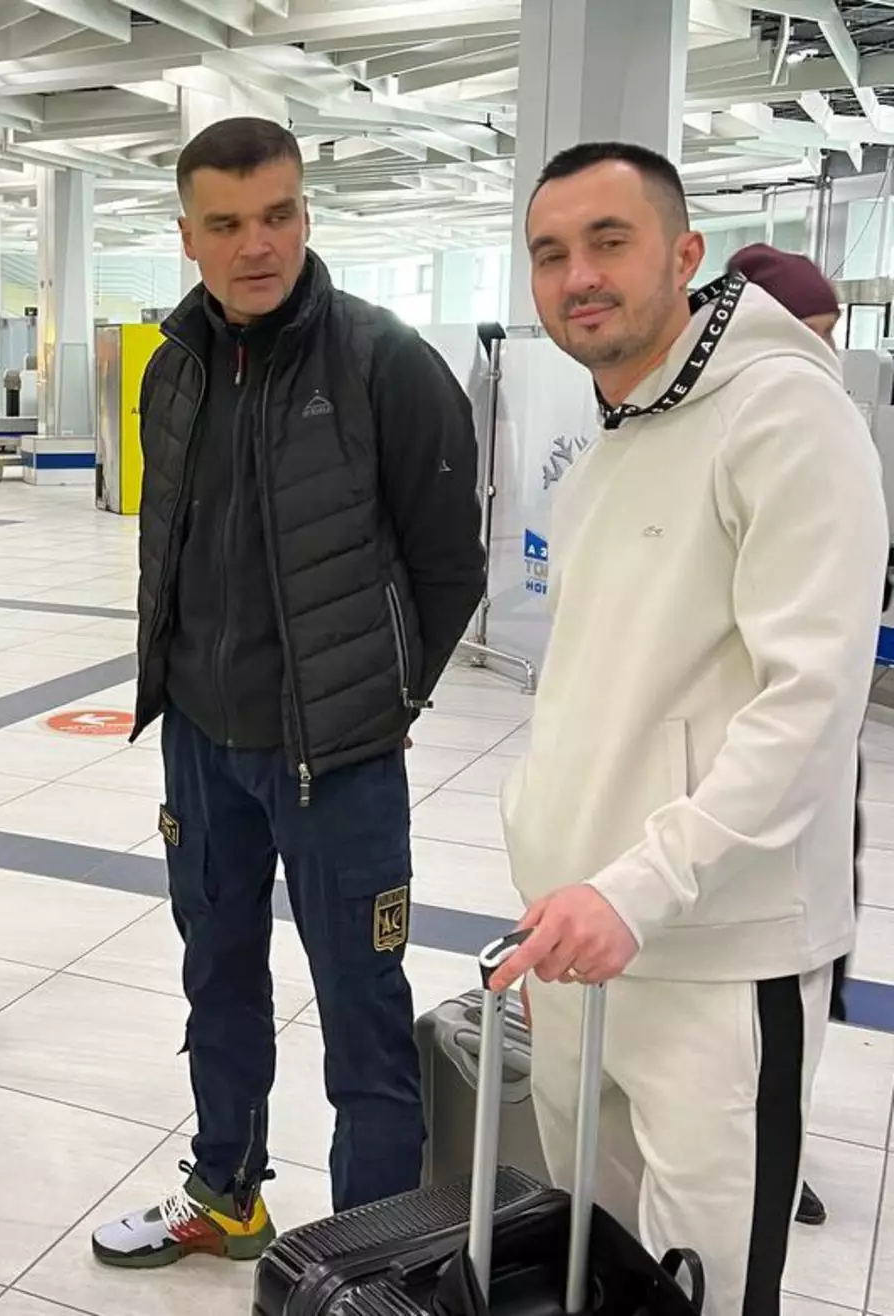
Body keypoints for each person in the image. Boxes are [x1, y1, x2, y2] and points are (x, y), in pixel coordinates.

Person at [491, 143, 887, 1316]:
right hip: (580, 943)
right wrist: (554, 876)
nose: (577, 276)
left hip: (715, 956)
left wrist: (639, 887)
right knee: (592, 1267)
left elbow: (807, 705)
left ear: (683, 254)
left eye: (608, 241)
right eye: (549, 254)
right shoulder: (609, 441)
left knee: (704, 1286)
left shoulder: (786, 414)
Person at [92, 117, 486, 1270]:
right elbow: (170, 543)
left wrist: (380, 700)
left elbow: (448, 566)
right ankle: (225, 1192)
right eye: (225, 223)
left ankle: (367, 1264)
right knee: (215, 979)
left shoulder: (382, 361)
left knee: (362, 1014)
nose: (254, 244)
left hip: (337, 759)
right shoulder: (172, 367)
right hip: (202, 744)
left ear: (306, 214)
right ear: (187, 236)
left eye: (276, 215)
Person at [724, 242, 878, 1231]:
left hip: (822, 755)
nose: (819, 354)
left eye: (829, 335)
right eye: (805, 333)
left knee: (814, 963)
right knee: (759, 989)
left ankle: (784, 1144)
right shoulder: (732, 428)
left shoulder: (824, 429)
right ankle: (761, 1154)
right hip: (744, 765)